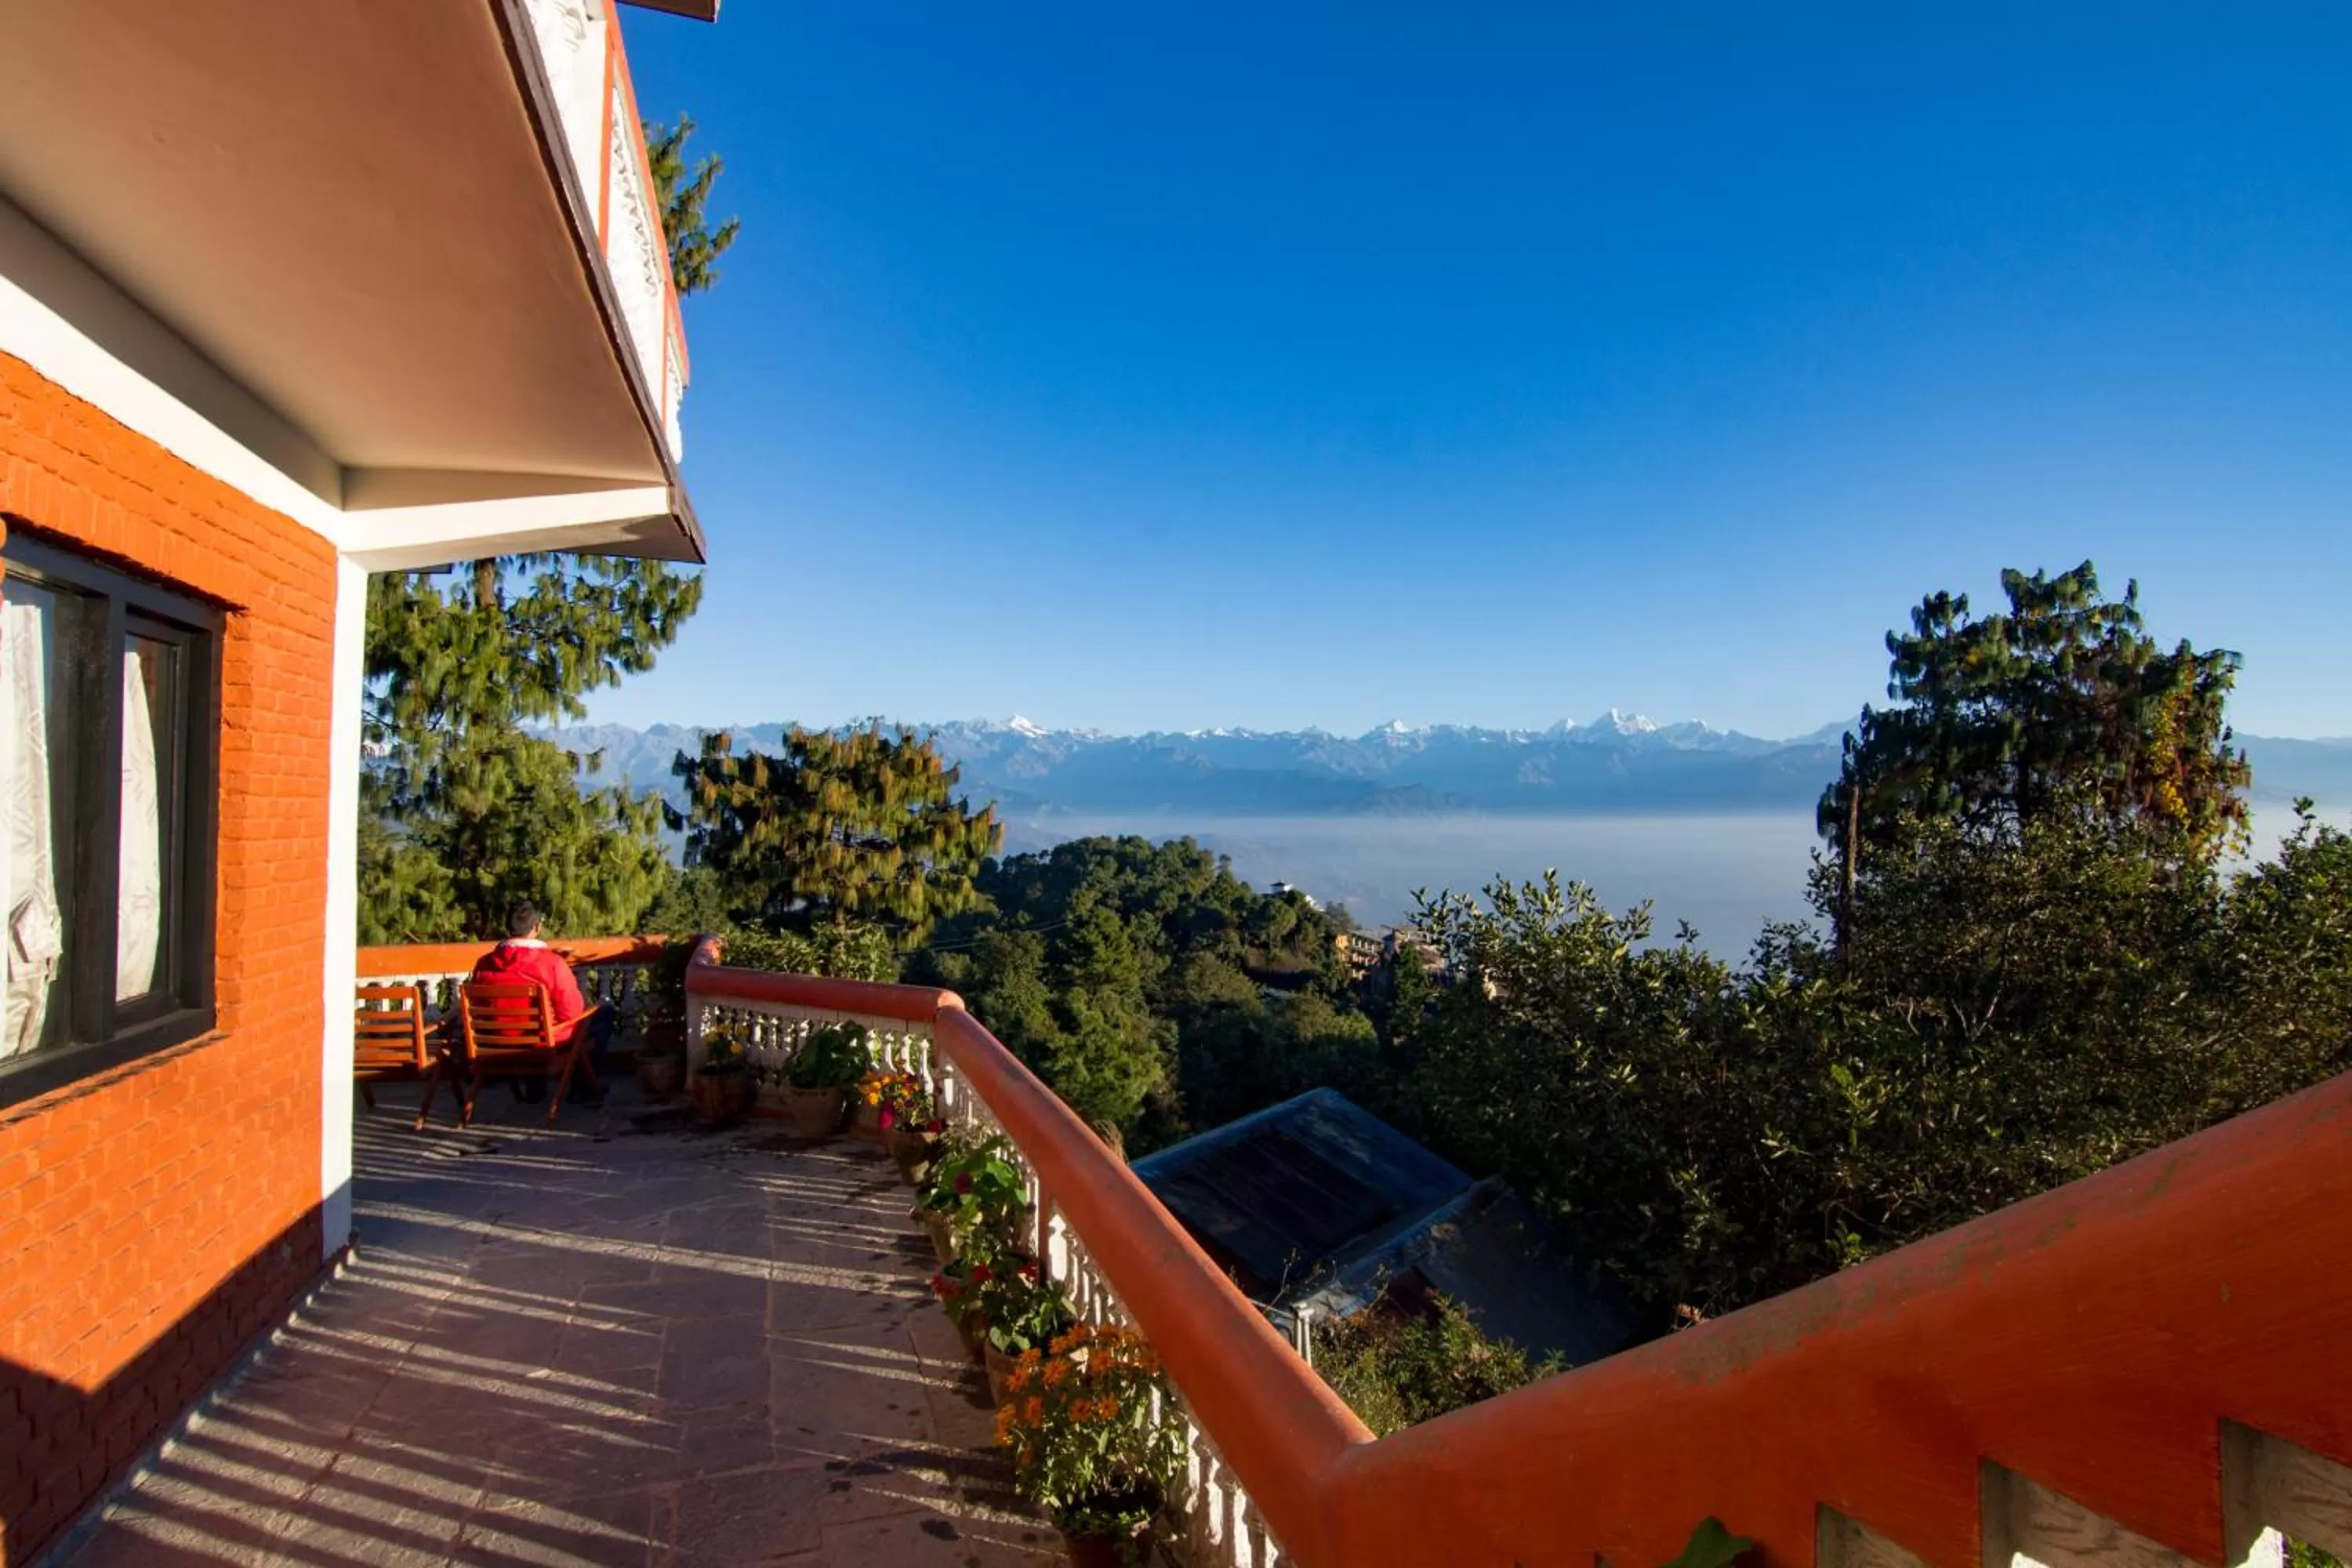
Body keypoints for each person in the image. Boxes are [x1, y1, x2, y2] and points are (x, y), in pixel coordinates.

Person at [467, 901, 613, 1102]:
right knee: (602, 1014)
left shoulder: (484, 964)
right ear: (537, 928)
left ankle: (535, 1087)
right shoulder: (551, 964)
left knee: (527, 1025)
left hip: (496, 1042)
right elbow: (571, 1014)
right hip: (542, 1044)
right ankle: (582, 1087)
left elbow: (478, 1008)